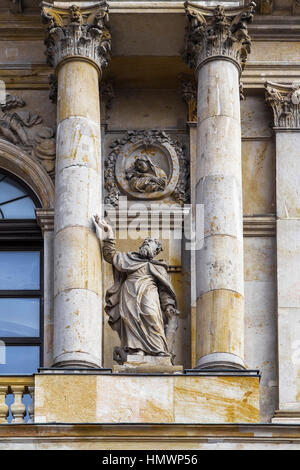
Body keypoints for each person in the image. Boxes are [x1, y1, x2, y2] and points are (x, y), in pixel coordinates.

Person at [92, 216, 179, 364]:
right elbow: (110, 255)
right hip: (129, 294)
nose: (145, 245)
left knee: (152, 317)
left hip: (149, 293)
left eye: (149, 244)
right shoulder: (129, 259)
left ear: (155, 251)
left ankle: (158, 351)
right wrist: (109, 233)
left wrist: (168, 306)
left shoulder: (158, 267)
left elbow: (165, 290)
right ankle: (135, 350)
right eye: (145, 243)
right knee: (131, 322)